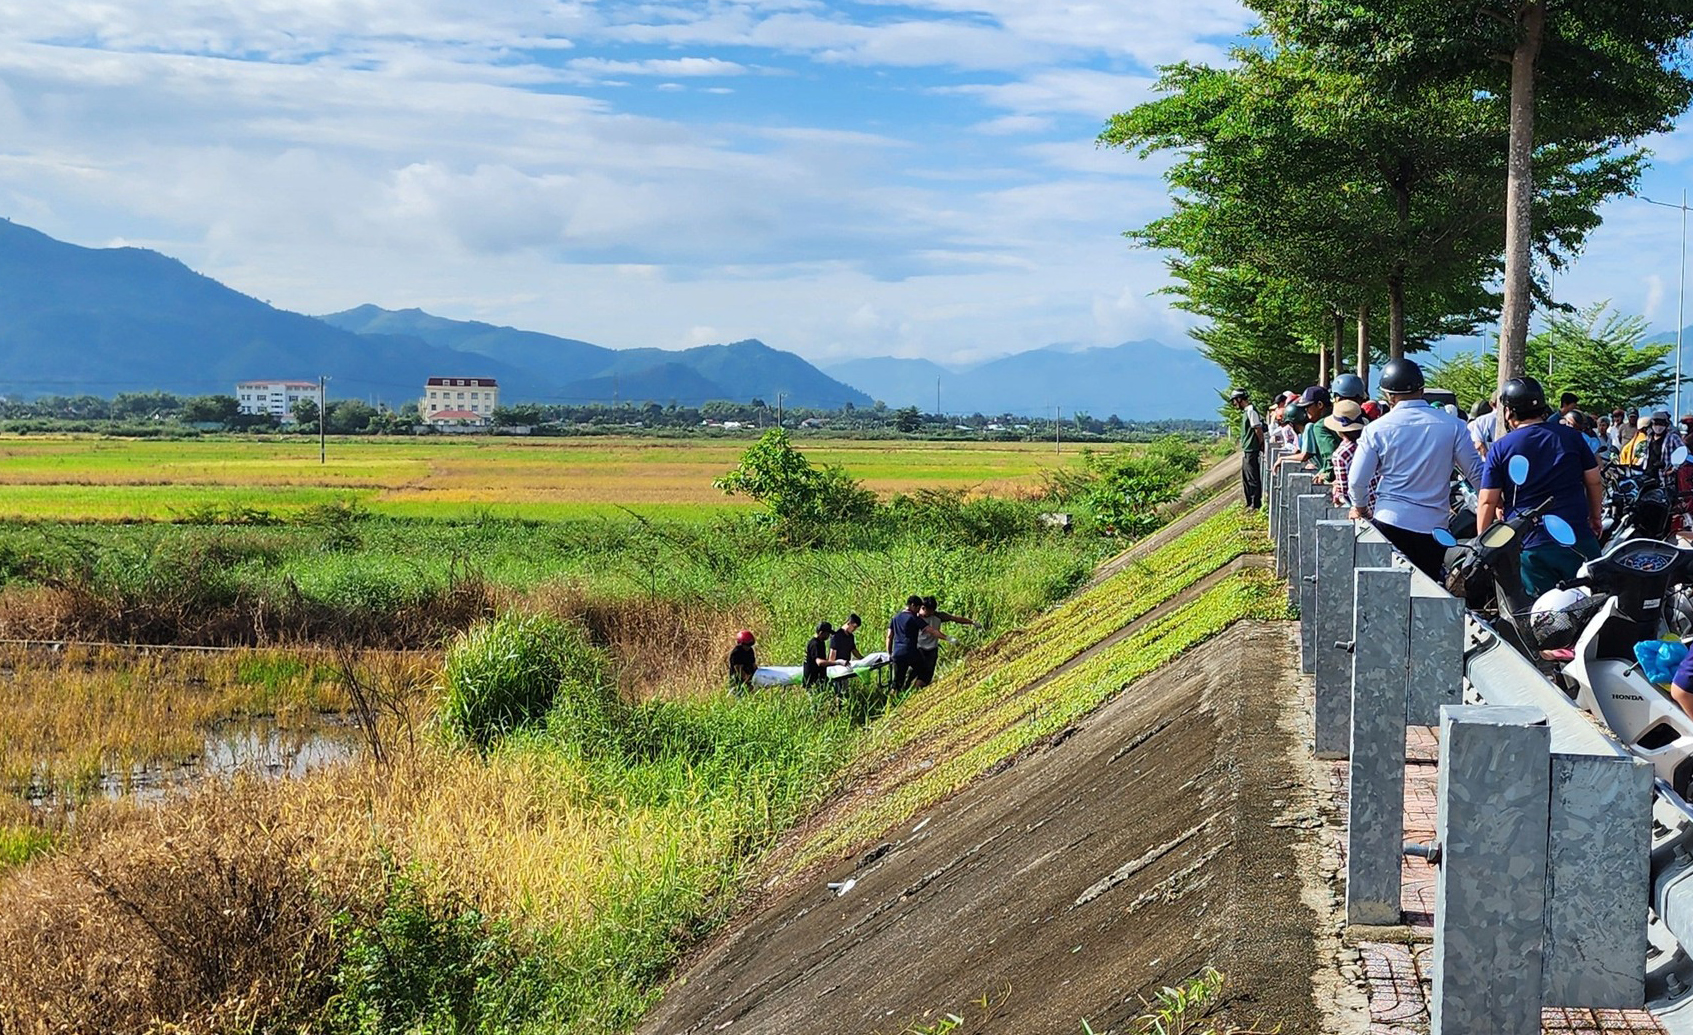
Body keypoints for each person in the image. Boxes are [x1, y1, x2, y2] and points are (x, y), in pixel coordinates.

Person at [1345, 358, 1484, 580]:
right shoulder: (1453, 426)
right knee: (1426, 594)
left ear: (1388, 395)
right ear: (1422, 389)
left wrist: (1360, 508)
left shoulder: (1376, 429)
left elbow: (1357, 480)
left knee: (1385, 592)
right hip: (1434, 528)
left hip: (1389, 520)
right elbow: (1476, 473)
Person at [1476, 377, 1603, 598]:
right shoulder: (1573, 437)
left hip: (1530, 547)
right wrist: (1595, 517)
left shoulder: (1501, 448)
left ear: (1508, 412)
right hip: (1578, 540)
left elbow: (1487, 500)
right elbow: (1594, 481)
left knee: (1543, 618)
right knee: (1591, 605)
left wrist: (1482, 546)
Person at [914, 595, 975, 689]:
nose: (931, 613)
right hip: (918, 648)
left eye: (932, 611)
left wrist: (972, 622)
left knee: (927, 675)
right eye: (929, 611)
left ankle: (917, 690)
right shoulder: (915, 618)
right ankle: (908, 689)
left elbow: (955, 619)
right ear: (923, 607)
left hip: (932, 649)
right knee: (915, 673)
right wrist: (948, 638)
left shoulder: (938, 616)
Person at [1322, 400, 1369, 508]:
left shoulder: (1341, 455)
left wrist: (1337, 494)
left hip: (1360, 509)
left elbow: (1345, 491)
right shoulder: (1370, 443)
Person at [1291, 385, 1338, 481]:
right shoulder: (1337, 418)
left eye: (1308, 406)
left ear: (1320, 405)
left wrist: (1326, 475)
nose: (1306, 410)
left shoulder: (1320, 426)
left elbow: (1330, 457)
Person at [1230, 388, 1265, 510]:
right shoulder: (1247, 411)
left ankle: (1255, 503)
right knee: (1246, 476)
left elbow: (1257, 429)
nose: (1234, 404)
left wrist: (1261, 443)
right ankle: (1249, 501)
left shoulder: (1251, 411)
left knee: (1252, 477)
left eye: (1235, 401)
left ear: (1239, 399)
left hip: (1251, 448)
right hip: (1247, 449)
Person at [886, 595, 927, 693]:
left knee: (897, 682)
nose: (918, 611)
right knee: (924, 670)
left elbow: (889, 637)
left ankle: (891, 702)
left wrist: (889, 653)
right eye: (918, 608)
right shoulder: (913, 618)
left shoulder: (895, 618)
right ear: (913, 605)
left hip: (897, 654)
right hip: (910, 651)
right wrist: (946, 637)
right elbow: (929, 629)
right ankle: (912, 689)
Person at [829, 614, 863, 698]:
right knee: (838, 693)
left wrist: (863, 659)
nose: (854, 630)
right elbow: (832, 655)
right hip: (837, 669)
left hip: (846, 668)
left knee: (845, 692)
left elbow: (854, 650)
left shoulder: (850, 637)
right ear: (849, 623)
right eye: (854, 627)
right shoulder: (836, 636)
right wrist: (831, 668)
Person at [802, 621, 833, 690]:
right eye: (827, 634)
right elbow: (819, 662)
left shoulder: (821, 642)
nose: (828, 636)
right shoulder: (815, 644)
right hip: (813, 681)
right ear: (821, 633)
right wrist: (835, 662)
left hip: (819, 679)